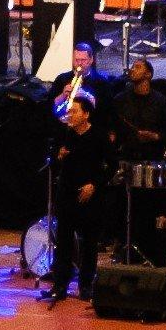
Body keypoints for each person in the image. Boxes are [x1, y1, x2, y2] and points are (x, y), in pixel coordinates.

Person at [42, 93, 112, 306]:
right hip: (67, 194)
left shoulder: (99, 137)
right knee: (63, 241)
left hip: (90, 195)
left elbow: (112, 165)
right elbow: (53, 163)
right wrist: (59, 156)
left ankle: (86, 285)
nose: (70, 115)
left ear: (86, 114)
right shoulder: (65, 134)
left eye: (74, 111)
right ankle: (60, 285)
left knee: (89, 242)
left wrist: (95, 184)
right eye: (69, 111)